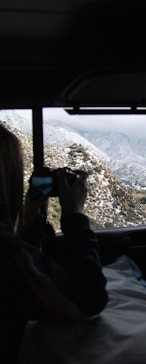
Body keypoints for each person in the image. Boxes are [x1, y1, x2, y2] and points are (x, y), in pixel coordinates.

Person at [0, 122, 108, 363]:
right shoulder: (9, 253)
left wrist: (30, 219)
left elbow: (25, 274)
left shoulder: (12, 253)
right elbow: (89, 297)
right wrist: (74, 215)